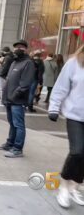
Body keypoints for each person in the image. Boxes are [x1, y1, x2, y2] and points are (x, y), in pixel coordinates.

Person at [48, 45, 84, 208]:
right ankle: (63, 185)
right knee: (77, 152)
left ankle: (74, 187)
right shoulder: (74, 63)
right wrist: (54, 107)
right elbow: (61, 87)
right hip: (75, 116)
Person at [0, 40, 35, 158]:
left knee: (18, 125)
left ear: (26, 49)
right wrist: (6, 97)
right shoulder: (14, 62)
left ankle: (18, 148)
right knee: (12, 123)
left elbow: (24, 85)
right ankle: (10, 143)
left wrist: (13, 96)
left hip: (17, 101)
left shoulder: (28, 63)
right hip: (9, 99)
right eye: (16, 47)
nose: (18, 49)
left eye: (21, 47)